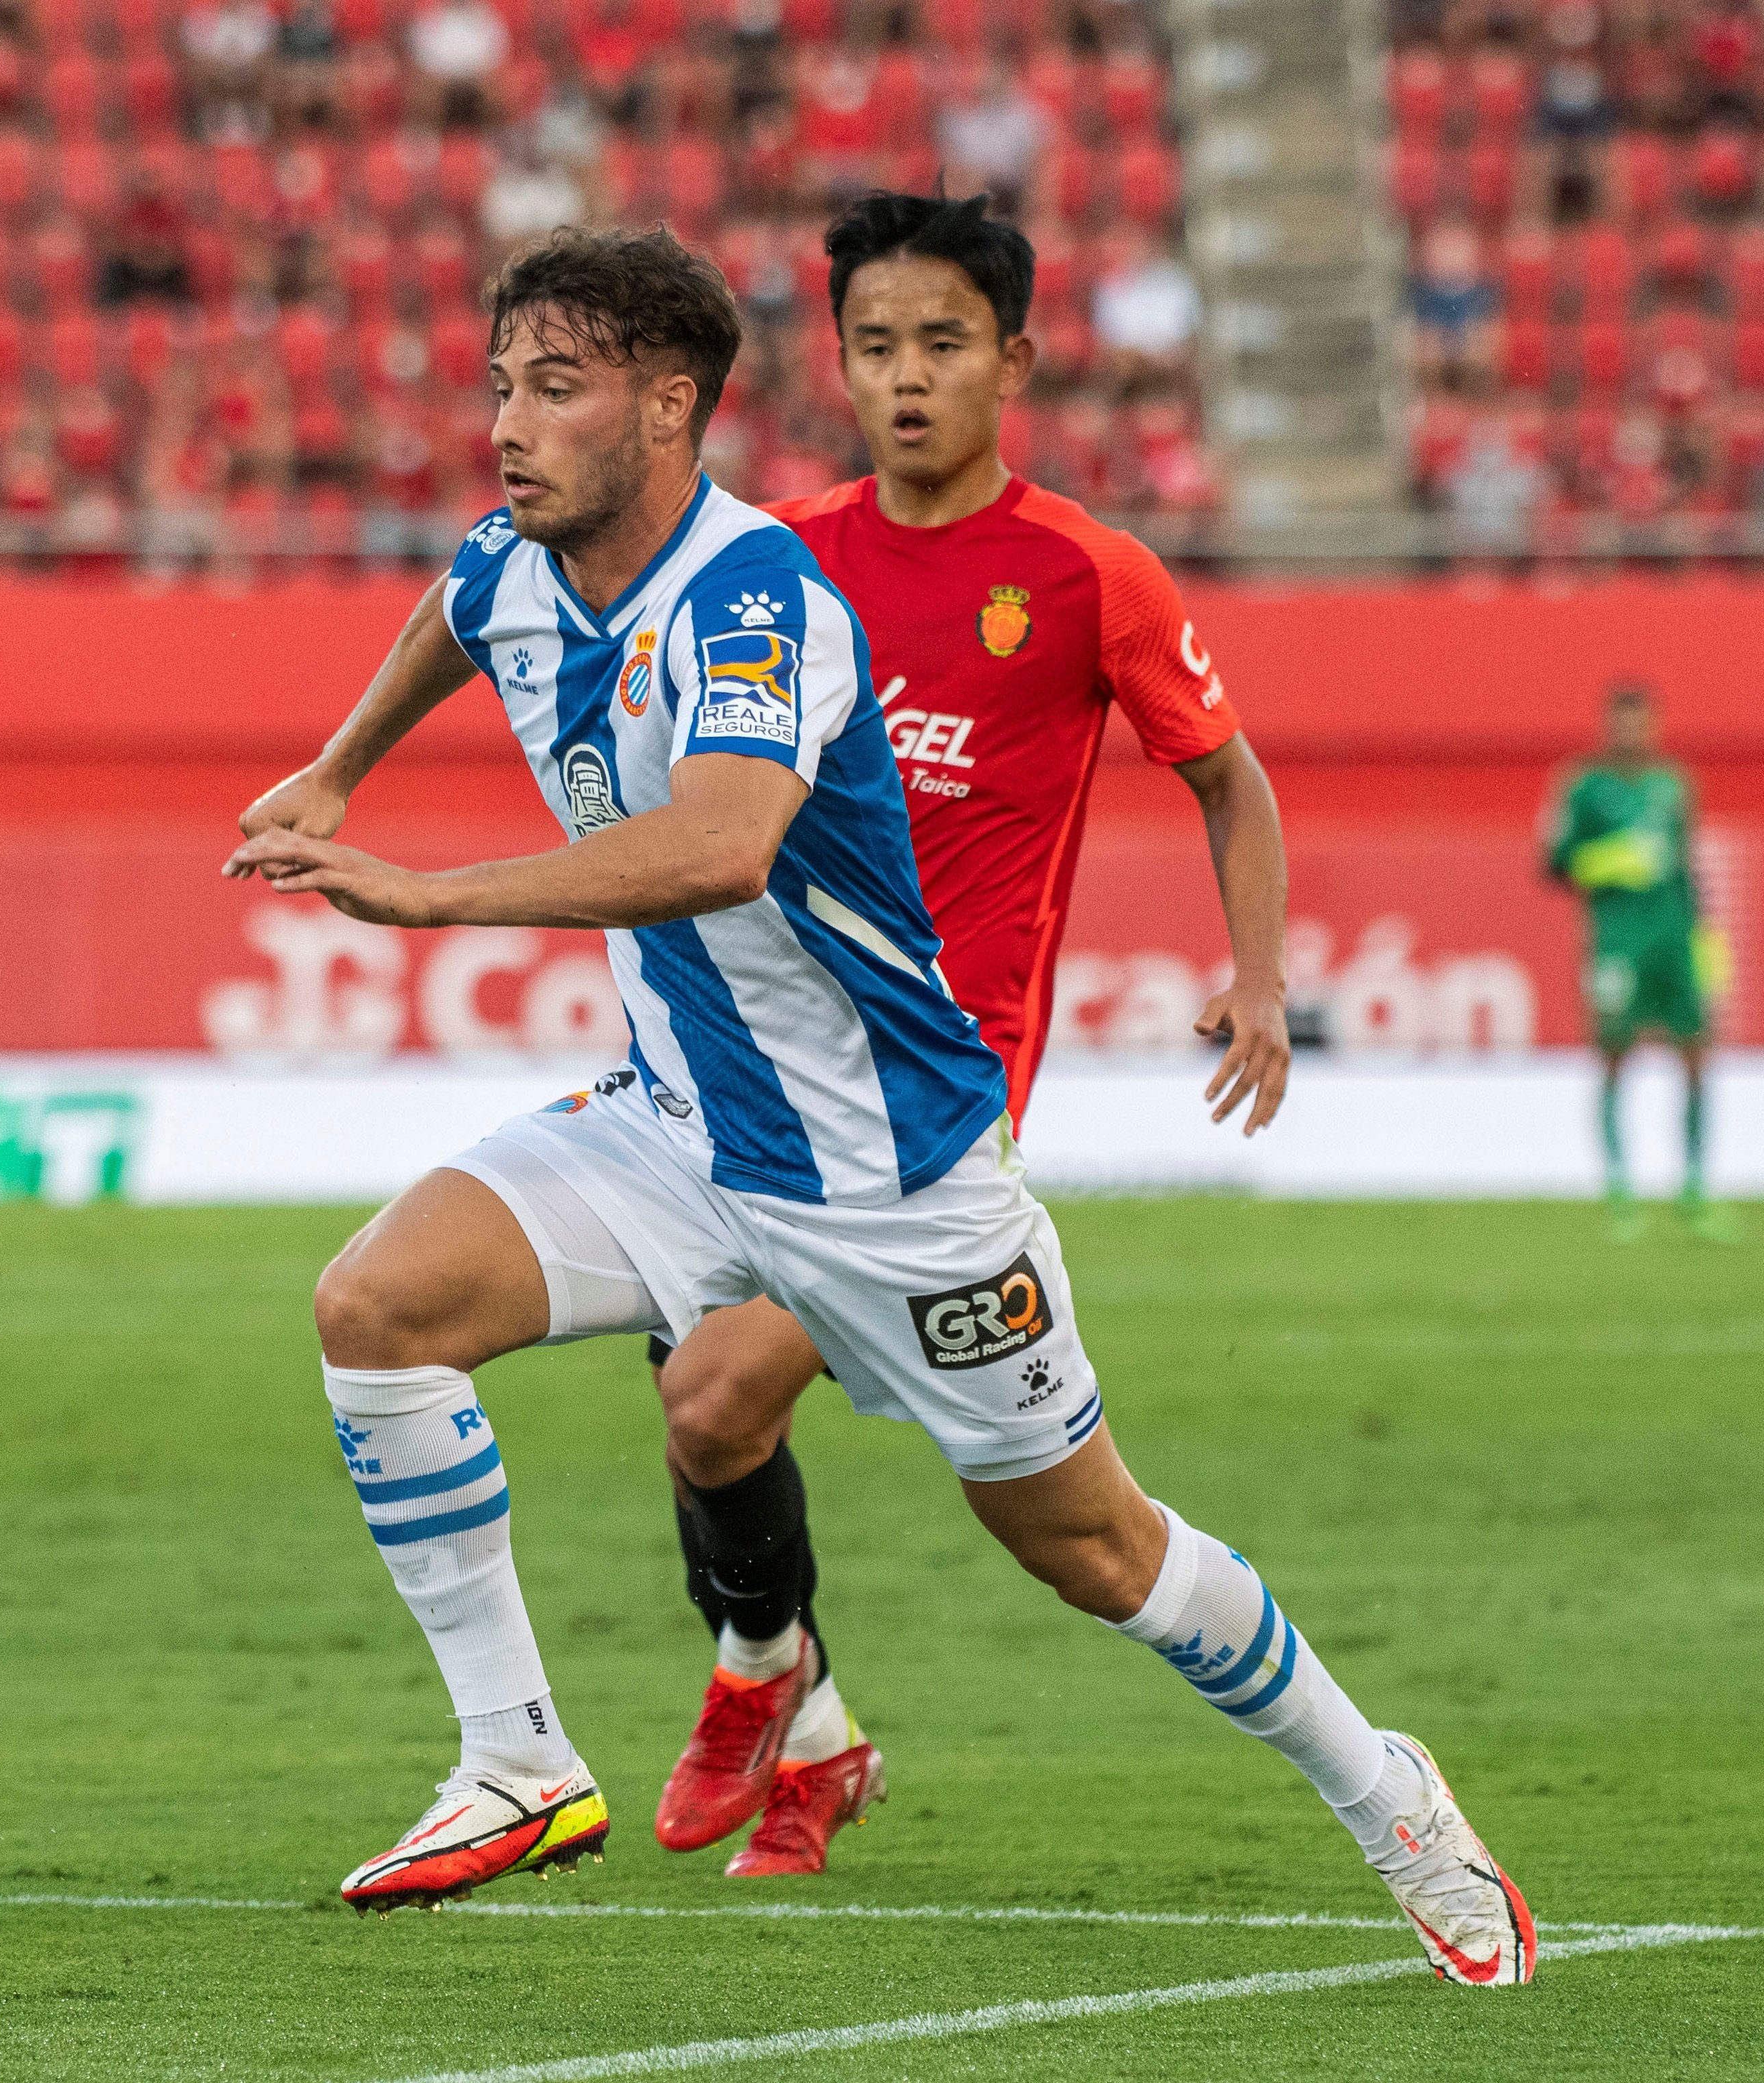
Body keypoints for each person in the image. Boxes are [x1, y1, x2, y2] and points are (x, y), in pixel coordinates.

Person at [226, 226, 1534, 1984]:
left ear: (670, 408)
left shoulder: (759, 595)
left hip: (889, 1172)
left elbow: (720, 844)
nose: (507, 429)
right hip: (679, 1125)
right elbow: (458, 602)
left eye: (554, 389)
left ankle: (1385, 1796)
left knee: (1093, 1552)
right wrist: (330, 762)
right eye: (499, 389)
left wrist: (424, 888)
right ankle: (520, 1762)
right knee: (376, 1310)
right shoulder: (520, 555)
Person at [641, 190, 1292, 1880]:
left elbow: (1227, 770)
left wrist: (1261, 974)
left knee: (717, 1399)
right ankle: (820, 1737)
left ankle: (768, 1686)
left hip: (936, 1094)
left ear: (1017, 356)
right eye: (873, 346)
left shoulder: (1087, 576)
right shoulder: (773, 565)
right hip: (766, 1075)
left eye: (942, 343)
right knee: (706, 1402)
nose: (906, 377)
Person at [1543, 680, 1731, 1241]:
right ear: (1607, 725)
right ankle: (1619, 1190)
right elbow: (1554, 863)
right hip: (1617, 943)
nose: (1632, 731)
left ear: (1654, 723)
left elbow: (1687, 864)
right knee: (1613, 1056)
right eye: (1622, 721)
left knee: (1696, 1055)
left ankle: (1695, 1188)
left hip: (1674, 940)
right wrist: (1610, 860)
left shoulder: (1673, 783)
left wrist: (1705, 942)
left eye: (1641, 720)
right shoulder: (1581, 787)